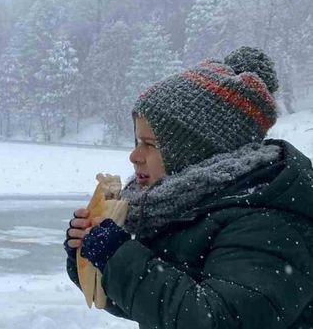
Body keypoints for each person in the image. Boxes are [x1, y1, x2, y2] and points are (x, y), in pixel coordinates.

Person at [64, 46, 313, 328]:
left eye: (150, 144)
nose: (134, 156)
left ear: (195, 153)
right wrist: (91, 259)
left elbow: (215, 320)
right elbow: (157, 308)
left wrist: (119, 256)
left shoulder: (267, 222)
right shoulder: (191, 206)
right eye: (136, 142)